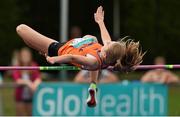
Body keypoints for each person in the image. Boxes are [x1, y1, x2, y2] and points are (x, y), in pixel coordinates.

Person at [16, 6, 145, 107]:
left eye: (109, 44)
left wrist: (53, 59)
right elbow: (106, 38)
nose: (107, 42)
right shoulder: (106, 55)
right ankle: (93, 85)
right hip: (77, 47)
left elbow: (72, 58)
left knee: (21, 29)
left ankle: (92, 83)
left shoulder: (93, 61)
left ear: (105, 53)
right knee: (91, 38)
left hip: (58, 49)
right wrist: (100, 21)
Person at [12, 47, 41, 116]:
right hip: (20, 97)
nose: (25, 57)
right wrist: (28, 83)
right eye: (24, 55)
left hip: (31, 96)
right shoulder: (17, 66)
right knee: (20, 115)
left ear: (30, 56)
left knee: (31, 114)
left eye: (27, 55)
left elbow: (38, 78)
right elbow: (17, 80)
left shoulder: (34, 65)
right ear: (20, 56)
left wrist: (35, 84)